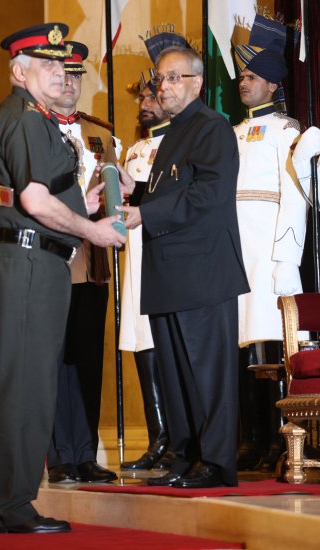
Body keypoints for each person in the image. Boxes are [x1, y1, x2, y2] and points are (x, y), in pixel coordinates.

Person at [0, 23, 125, 535]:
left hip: (27, 259)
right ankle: (10, 506)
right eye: (48, 65)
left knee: (15, 385)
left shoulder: (30, 118)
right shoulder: (24, 118)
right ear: (20, 71)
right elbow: (34, 201)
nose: (60, 73)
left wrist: (92, 204)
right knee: (24, 389)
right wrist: (94, 233)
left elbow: (53, 201)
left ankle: (3, 503)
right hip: (26, 262)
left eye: (63, 65)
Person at [118, 46, 249, 488]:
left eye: (172, 78)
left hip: (201, 273)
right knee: (175, 374)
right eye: (160, 79)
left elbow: (207, 196)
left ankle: (215, 462)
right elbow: (171, 189)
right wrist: (134, 192)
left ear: (195, 82)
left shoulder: (211, 128)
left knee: (206, 373)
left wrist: (145, 215)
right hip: (170, 273)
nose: (163, 87)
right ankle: (187, 454)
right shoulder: (175, 132)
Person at [233, 15, 309, 472]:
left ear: (273, 85)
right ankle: (251, 436)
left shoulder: (287, 132)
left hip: (270, 252)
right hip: (236, 251)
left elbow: (295, 199)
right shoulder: (232, 132)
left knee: (272, 347)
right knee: (243, 349)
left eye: (251, 76)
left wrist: (286, 255)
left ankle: (279, 440)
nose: (243, 82)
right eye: (242, 76)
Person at [47, 41, 120, 484]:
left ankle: (85, 452)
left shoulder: (101, 134)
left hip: (93, 263)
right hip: (53, 258)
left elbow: (114, 195)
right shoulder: (33, 130)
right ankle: (59, 456)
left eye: (77, 76)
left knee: (88, 360)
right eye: (63, 75)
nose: (70, 84)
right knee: (54, 359)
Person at [119, 78, 173, 470]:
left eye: (150, 95)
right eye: (141, 97)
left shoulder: (179, 142)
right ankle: (158, 437)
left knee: (169, 347)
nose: (144, 102)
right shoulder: (134, 150)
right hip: (134, 259)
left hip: (166, 255)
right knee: (143, 344)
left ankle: (179, 439)